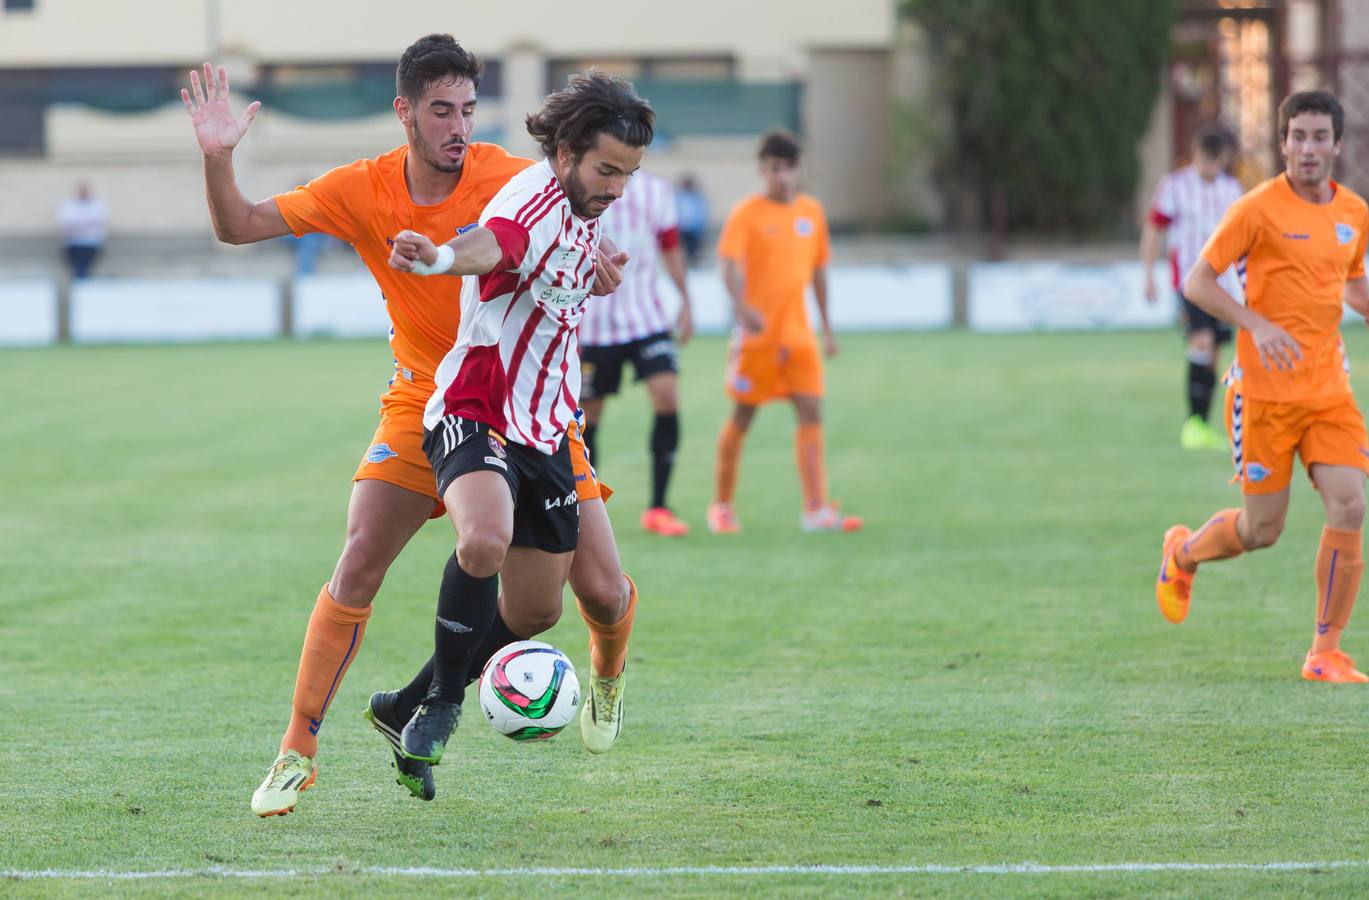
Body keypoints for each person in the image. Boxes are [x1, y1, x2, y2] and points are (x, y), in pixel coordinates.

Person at [179, 36, 634, 818]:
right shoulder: (359, 188)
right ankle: (296, 751)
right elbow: (239, 226)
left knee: (588, 595)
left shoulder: (509, 175)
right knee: (358, 558)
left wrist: (594, 263)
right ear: (404, 112)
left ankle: (596, 679)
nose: (458, 127)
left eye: (467, 109)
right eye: (439, 111)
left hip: (526, 408)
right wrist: (220, 157)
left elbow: (554, 230)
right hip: (430, 400)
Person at [382, 70, 654, 771]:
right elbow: (492, 244)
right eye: (605, 171)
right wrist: (441, 258)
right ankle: (441, 703)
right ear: (564, 153)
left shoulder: (585, 205)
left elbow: (562, 256)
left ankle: (400, 704)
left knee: (536, 612)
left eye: (626, 174)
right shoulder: (531, 200)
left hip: (545, 428)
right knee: (483, 539)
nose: (616, 188)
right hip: (477, 406)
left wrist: (597, 260)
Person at [1155, 91, 1369, 683]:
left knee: (1351, 503)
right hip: (1264, 399)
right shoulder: (1255, 209)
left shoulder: (1354, 212)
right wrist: (1254, 322)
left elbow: (1351, 284)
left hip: (1328, 390)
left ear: (1337, 144)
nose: (1308, 148)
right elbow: (1199, 282)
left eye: (1320, 136)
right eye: (1297, 136)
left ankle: (1325, 653)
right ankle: (1183, 553)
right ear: (1282, 144)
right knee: (1262, 531)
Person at [706, 129, 862, 534]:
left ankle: (815, 508)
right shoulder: (747, 213)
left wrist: (827, 329)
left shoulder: (812, 212)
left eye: (789, 168)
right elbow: (727, 264)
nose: (782, 176)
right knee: (743, 415)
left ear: (798, 169)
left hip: (799, 337)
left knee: (812, 412)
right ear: (763, 170)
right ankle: (722, 506)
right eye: (774, 168)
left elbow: (820, 272)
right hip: (758, 339)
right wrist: (742, 310)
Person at [579, 169, 693, 536]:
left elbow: (670, 246)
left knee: (667, 398)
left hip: (647, 319)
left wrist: (686, 299)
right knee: (588, 417)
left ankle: (659, 507)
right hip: (595, 324)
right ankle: (584, 503)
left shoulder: (658, 191)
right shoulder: (583, 185)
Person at [1141, 125, 1245, 450]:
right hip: (1190, 283)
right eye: (1205, 159)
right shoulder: (1175, 186)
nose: (1209, 167)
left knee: (1213, 353)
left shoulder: (1233, 189)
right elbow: (1155, 228)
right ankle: (1192, 425)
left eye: (1216, 160)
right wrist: (1148, 273)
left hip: (1225, 285)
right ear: (1195, 155)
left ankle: (1201, 423)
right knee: (1201, 343)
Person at [57, 180, 109, 279]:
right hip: (74, 243)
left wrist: (80, 227)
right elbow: (65, 225)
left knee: (86, 261)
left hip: (91, 243)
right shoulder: (70, 205)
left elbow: (101, 223)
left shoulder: (97, 204)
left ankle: (82, 278)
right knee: (77, 262)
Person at [675, 174, 708, 267]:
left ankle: (694, 265)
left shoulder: (697, 197)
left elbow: (701, 212)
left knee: (694, 250)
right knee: (681, 249)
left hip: (695, 229)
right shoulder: (678, 196)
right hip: (681, 228)